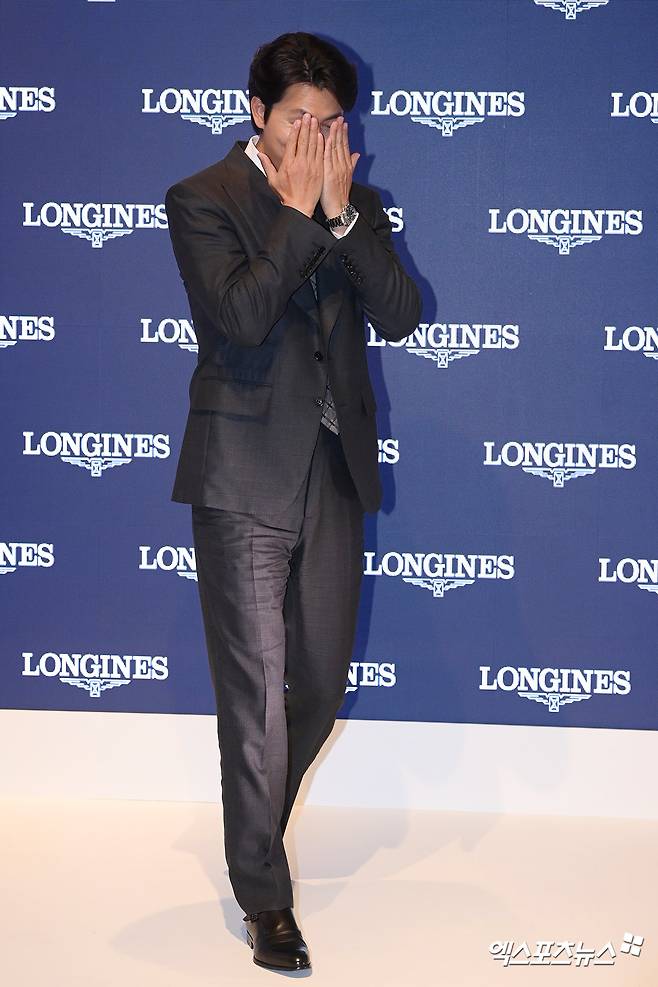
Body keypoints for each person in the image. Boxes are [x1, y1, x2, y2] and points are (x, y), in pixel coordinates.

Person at [164, 31, 421, 972]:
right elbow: (239, 316)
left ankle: (253, 827)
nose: (315, 139)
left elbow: (402, 313)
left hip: (332, 469)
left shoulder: (360, 206)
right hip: (241, 471)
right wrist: (297, 213)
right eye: (298, 121)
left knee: (317, 683)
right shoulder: (203, 197)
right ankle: (264, 896)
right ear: (258, 114)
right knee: (255, 697)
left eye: (332, 122)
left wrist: (343, 218)